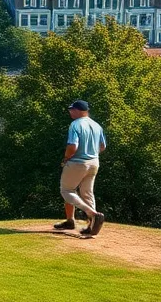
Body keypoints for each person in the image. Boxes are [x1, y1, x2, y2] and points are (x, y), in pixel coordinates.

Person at [54, 100, 106, 236]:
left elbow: (72, 146)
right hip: (94, 162)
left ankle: (92, 214)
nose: (70, 112)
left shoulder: (75, 124)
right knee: (87, 193)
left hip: (77, 162)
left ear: (79, 110)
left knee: (66, 190)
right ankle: (90, 224)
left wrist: (66, 158)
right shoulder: (96, 125)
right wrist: (91, 153)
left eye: (72, 109)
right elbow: (102, 146)